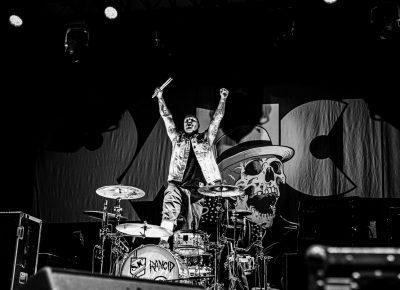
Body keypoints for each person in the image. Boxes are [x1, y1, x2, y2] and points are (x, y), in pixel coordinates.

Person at [154, 86, 229, 248]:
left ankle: (185, 252)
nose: (188, 122)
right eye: (186, 120)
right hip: (177, 184)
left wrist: (222, 99)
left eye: (192, 120)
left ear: (197, 125)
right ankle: (163, 241)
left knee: (191, 225)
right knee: (170, 208)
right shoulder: (177, 137)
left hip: (196, 189)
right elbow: (167, 118)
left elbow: (216, 119)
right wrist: (160, 98)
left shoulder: (205, 139)